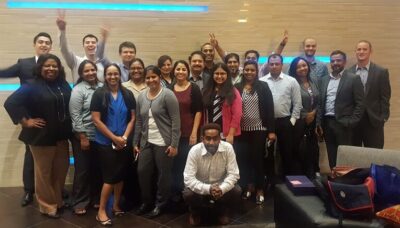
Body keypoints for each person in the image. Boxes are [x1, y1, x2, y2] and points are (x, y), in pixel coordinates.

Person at [4, 54, 72, 218]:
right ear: (40, 67)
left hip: (61, 136)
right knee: (44, 173)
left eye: (54, 66)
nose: (51, 69)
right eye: (47, 66)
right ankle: (47, 206)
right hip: (41, 137)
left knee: (60, 171)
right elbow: (10, 103)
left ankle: (58, 201)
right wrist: (25, 121)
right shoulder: (31, 85)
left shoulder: (63, 84)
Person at [0, 32, 52, 207]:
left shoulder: (53, 63)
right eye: (41, 42)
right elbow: (5, 72)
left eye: (47, 43)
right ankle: (29, 190)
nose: (44, 45)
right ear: (34, 44)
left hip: (49, 117)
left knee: (50, 155)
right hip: (30, 117)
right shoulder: (24, 63)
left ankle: (49, 189)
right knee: (30, 154)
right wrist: (24, 121)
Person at [90, 63, 136, 226]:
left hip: (124, 141)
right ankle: (101, 210)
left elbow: (132, 118)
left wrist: (123, 137)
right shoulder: (99, 93)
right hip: (105, 142)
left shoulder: (128, 94)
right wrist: (114, 138)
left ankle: (116, 205)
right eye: (109, 74)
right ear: (105, 76)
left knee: (120, 175)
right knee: (110, 177)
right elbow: (96, 120)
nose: (113, 77)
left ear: (120, 75)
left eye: (115, 73)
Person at [133, 65, 181, 218]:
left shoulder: (168, 95)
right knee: (142, 172)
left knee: (163, 175)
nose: (151, 80)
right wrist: (136, 142)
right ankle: (146, 202)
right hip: (147, 142)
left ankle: (160, 204)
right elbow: (139, 121)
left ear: (159, 77)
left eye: (154, 76)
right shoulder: (141, 96)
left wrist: (174, 144)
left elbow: (175, 121)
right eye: (148, 77)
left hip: (164, 142)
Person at [183, 123, 241, 226]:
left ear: (220, 138)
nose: (212, 142)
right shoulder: (194, 151)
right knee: (188, 193)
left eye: (215, 139)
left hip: (220, 187)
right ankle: (195, 212)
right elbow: (188, 178)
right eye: (208, 138)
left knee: (236, 190)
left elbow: (234, 174)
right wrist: (208, 188)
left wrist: (222, 188)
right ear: (202, 138)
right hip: (200, 187)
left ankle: (222, 211)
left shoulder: (228, 148)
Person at [235, 60, 275, 204]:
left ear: (256, 71)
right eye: (247, 70)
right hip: (242, 130)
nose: (249, 72)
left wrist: (271, 131)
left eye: (252, 70)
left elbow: (270, 109)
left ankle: (260, 188)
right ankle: (248, 186)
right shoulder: (237, 87)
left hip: (259, 128)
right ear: (243, 71)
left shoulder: (263, 86)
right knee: (244, 160)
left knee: (258, 160)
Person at [317, 50, 364, 169]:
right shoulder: (324, 80)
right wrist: (319, 123)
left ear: (344, 62)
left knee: (345, 156)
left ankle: (346, 182)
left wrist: (351, 122)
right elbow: (320, 103)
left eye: (338, 60)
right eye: (332, 61)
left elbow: (360, 104)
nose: (335, 63)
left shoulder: (353, 79)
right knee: (331, 154)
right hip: (327, 123)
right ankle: (335, 181)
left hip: (344, 124)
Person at [69, 60, 103, 215]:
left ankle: (96, 198)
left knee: (97, 169)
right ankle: (80, 201)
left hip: (101, 136)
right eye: (86, 71)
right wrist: (82, 137)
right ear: (81, 74)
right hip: (84, 135)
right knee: (83, 170)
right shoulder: (78, 90)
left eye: (92, 70)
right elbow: (75, 115)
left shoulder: (103, 87)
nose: (90, 73)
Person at [260, 54, 302, 177]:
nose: (274, 66)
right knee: (268, 153)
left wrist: (292, 121)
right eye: (271, 64)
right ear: (268, 65)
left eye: (277, 64)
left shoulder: (291, 81)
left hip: (285, 122)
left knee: (287, 153)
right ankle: (270, 180)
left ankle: (286, 180)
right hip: (266, 123)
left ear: (281, 65)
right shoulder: (262, 81)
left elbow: (298, 103)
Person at [168, 60, 203, 201]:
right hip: (173, 134)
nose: (180, 72)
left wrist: (194, 133)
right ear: (174, 71)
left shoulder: (193, 88)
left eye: (183, 69)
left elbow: (198, 111)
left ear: (187, 72)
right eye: (178, 69)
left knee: (187, 164)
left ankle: (188, 194)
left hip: (189, 133)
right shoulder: (169, 89)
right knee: (174, 165)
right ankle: (177, 194)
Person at [348, 40, 391, 149]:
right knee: (354, 155)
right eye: (359, 49)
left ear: (370, 51)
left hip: (374, 121)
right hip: (354, 121)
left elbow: (385, 97)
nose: (361, 52)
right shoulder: (348, 72)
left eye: (364, 49)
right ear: (355, 52)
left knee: (375, 154)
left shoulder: (381, 72)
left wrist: (383, 117)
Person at [288, 57, 320, 178]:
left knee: (313, 149)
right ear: (294, 70)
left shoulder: (313, 81)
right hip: (298, 122)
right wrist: (305, 115)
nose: (302, 68)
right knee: (300, 150)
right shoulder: (292, 82)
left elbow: (319, 100)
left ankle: (313, 176)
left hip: (313, 121)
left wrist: (314, 113)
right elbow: (290, 103)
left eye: (304, 65)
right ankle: (300, 178)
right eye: (299, 67)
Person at [56, 10, 108, 82]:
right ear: (83, 45)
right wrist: (62, 30)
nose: (90, 44)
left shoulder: (102, 64)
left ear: (97, 45)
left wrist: (104, 38)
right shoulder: (76, 62)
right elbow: (64, 49)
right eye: (87, 42)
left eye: (93, 42)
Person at [209, 30, 289, 77]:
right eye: (248, 58)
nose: (251, 60)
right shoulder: (240, 70)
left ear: (257, 60)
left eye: (253, 58)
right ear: (245, 60)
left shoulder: (262, 70)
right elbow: (226, 58)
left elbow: (273, 57)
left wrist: (282, 44)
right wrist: (216, 46)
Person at [202, 62, 242, 145]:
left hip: (226, 134)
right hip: (209, 134)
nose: (219, 76)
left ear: (227, 75)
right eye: (217, 73)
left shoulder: (233, 91)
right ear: (212, 75)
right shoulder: (206, 91)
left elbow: (237, 115)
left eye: (222, 73)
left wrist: (231, 134)